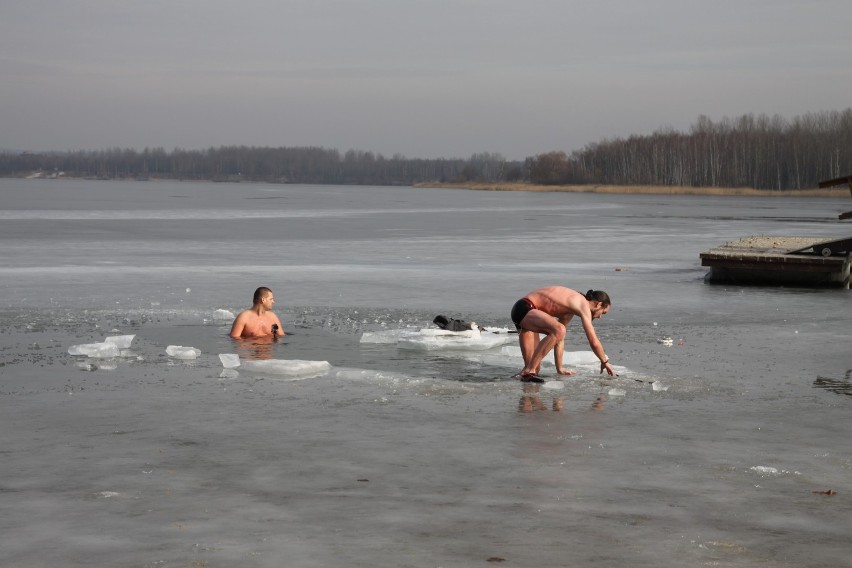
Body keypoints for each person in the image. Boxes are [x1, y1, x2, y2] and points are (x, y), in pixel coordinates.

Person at [510, 286, 614, 381]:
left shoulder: (571, 308)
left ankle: (522, 378)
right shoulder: (583, 304)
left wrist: (560, 368)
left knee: (534, 369)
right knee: (559, 331)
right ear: (599, 304)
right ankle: (529, 370)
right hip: (525, 308)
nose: (600, 317)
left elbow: (559, 337)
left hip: (527, 315)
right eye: (603, 312)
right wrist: (605, 361)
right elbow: (593, 341)